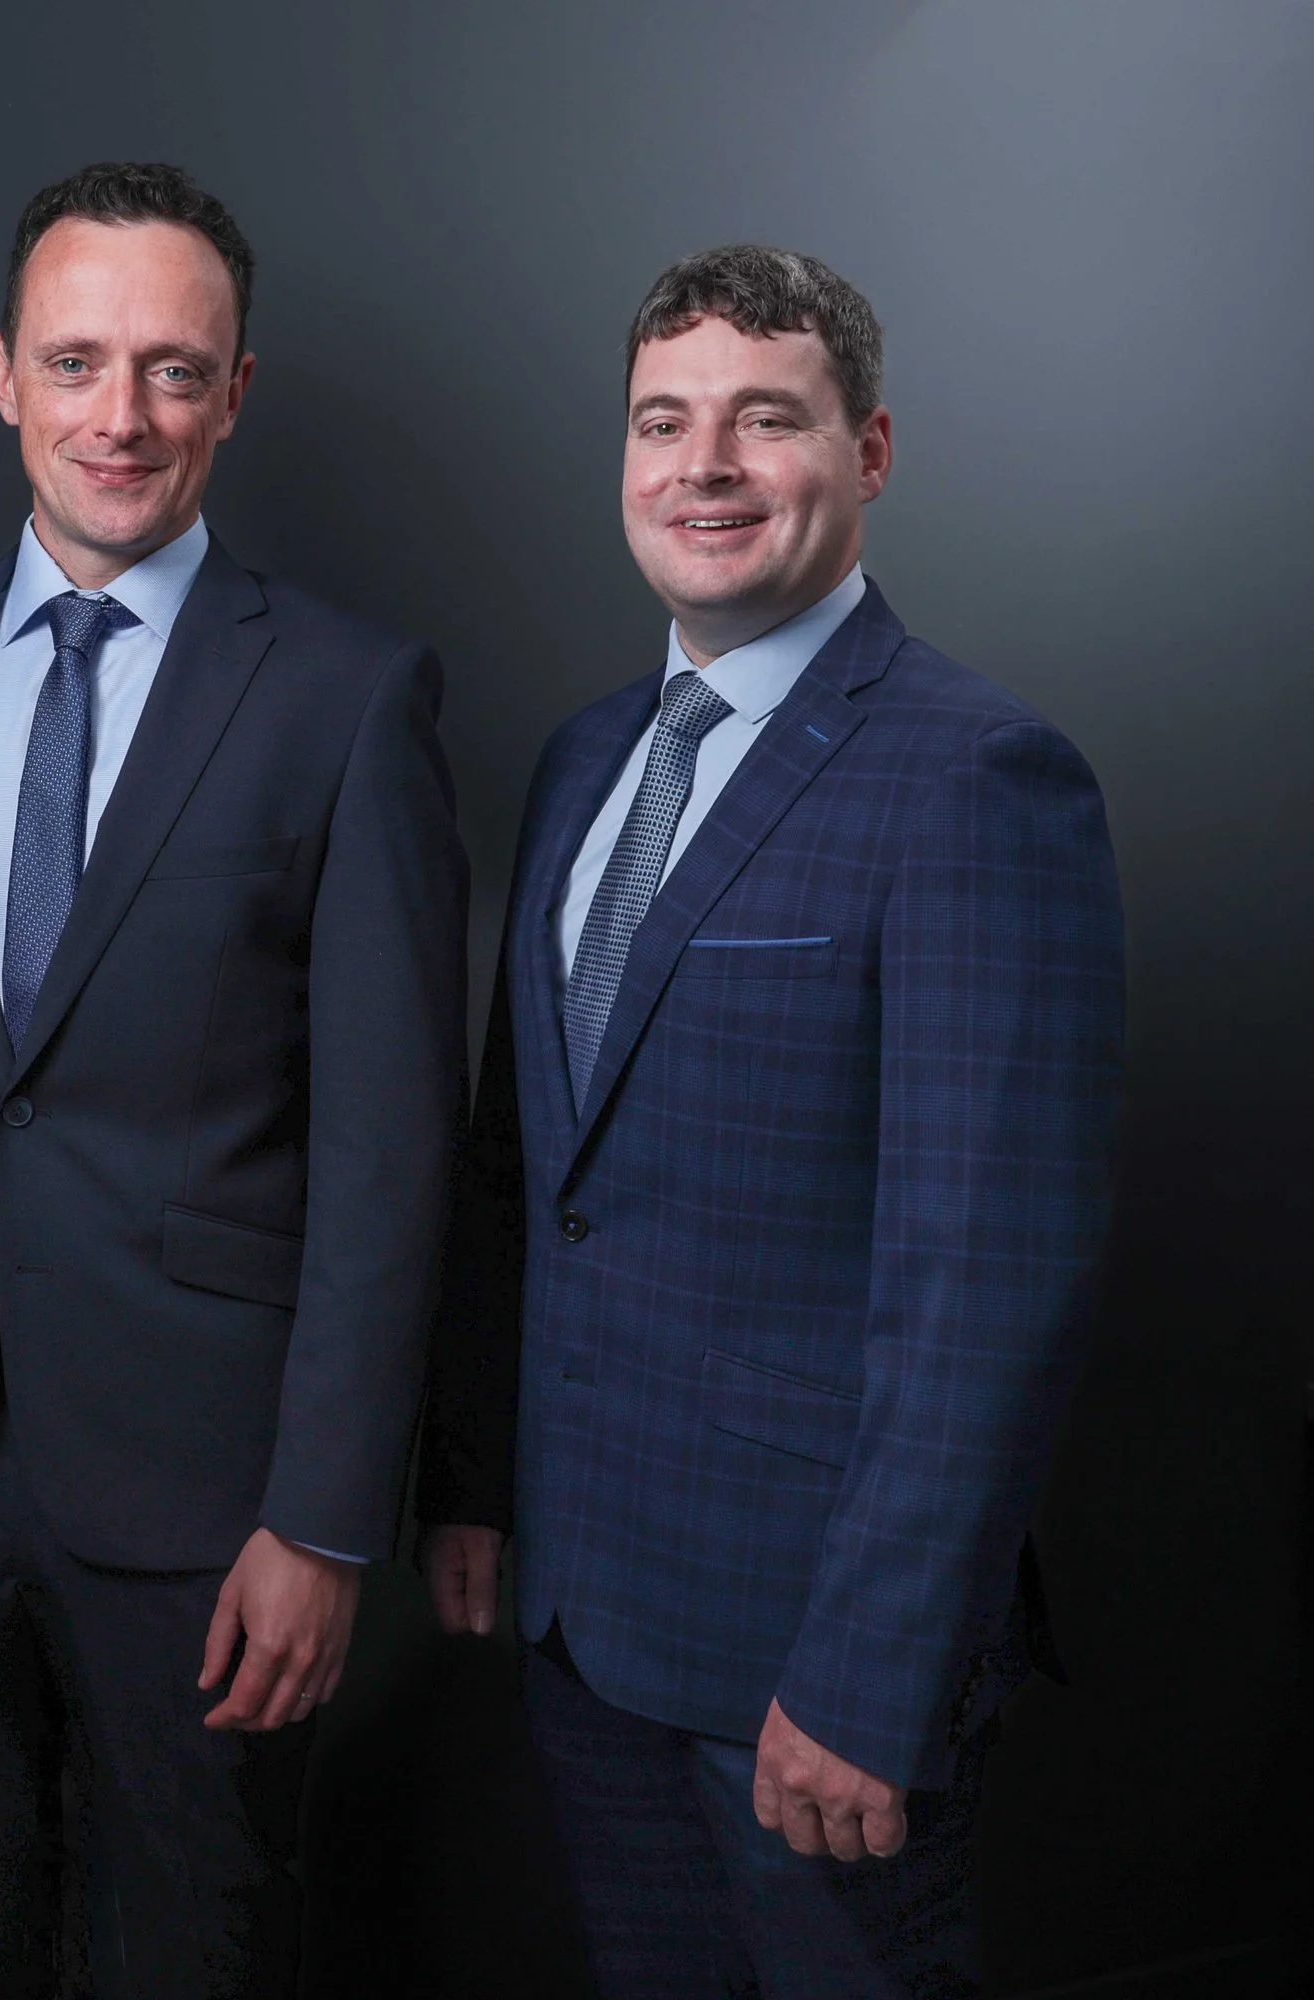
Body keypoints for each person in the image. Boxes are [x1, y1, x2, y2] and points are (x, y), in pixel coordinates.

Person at [0, 163, 468, 1998]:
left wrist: (320, 1515)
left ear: (235, 393)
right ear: (2, 374)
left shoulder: (349, 697)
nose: (117, 417)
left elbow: (392, 1156)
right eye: (76, 362)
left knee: (197, 1956)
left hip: (210, 1503)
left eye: (168, 369)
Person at [418, 245, 1124, 1996]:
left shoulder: (973, 777)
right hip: (590, 1615)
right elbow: (533, 1171)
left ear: (869, 451)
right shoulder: (585, 760)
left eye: (765, 419)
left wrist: (869, 1678)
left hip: (808, 1666)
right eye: (664, 422)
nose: (704, 464)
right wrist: (481, 1484)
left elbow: (986, 1289)